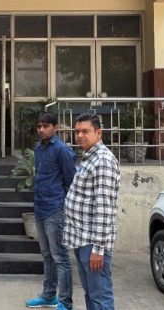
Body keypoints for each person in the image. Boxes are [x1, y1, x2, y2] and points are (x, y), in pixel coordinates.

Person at [63, 114, 120, 310]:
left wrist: (98, 249)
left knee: (100, 297)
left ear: (98, 132)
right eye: (77, 131)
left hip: (92, 242)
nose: (80, 135)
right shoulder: (90, 157)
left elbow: (104, 208)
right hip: (82, 238)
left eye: (85, 131)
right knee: (92, 293)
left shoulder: (103, 160)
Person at [25, 112, 76, 310]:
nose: (41, 130)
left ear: (56, 127)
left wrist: (63, 205)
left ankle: (65, 302)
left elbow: (70, 180)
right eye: (39, 126)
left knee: (60, 257)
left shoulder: (62, 150)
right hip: (40, 207)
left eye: (46, 126)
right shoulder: (39, 149)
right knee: (47, 256)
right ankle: (48, 295)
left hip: (55, 209)